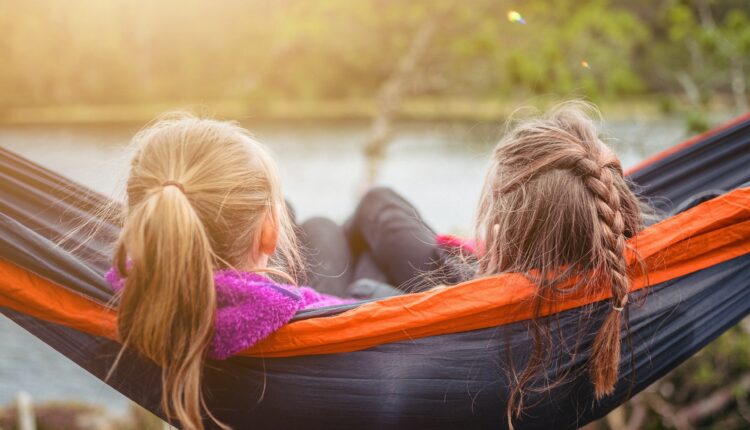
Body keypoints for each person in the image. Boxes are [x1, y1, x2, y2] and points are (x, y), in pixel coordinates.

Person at [322, 101, 643, 422]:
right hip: (491, 288)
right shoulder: (633, 276)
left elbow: (364, 290)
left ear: (502, 233)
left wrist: (371, 281)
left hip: (466, 310)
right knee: (375, 204)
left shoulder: (478, 341)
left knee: (324, 230)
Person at [106, 113, 351, 430]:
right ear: (270, 232)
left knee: (310, 219)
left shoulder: (130, 293)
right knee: (348, 217)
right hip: (349, 307)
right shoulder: (315, 316)